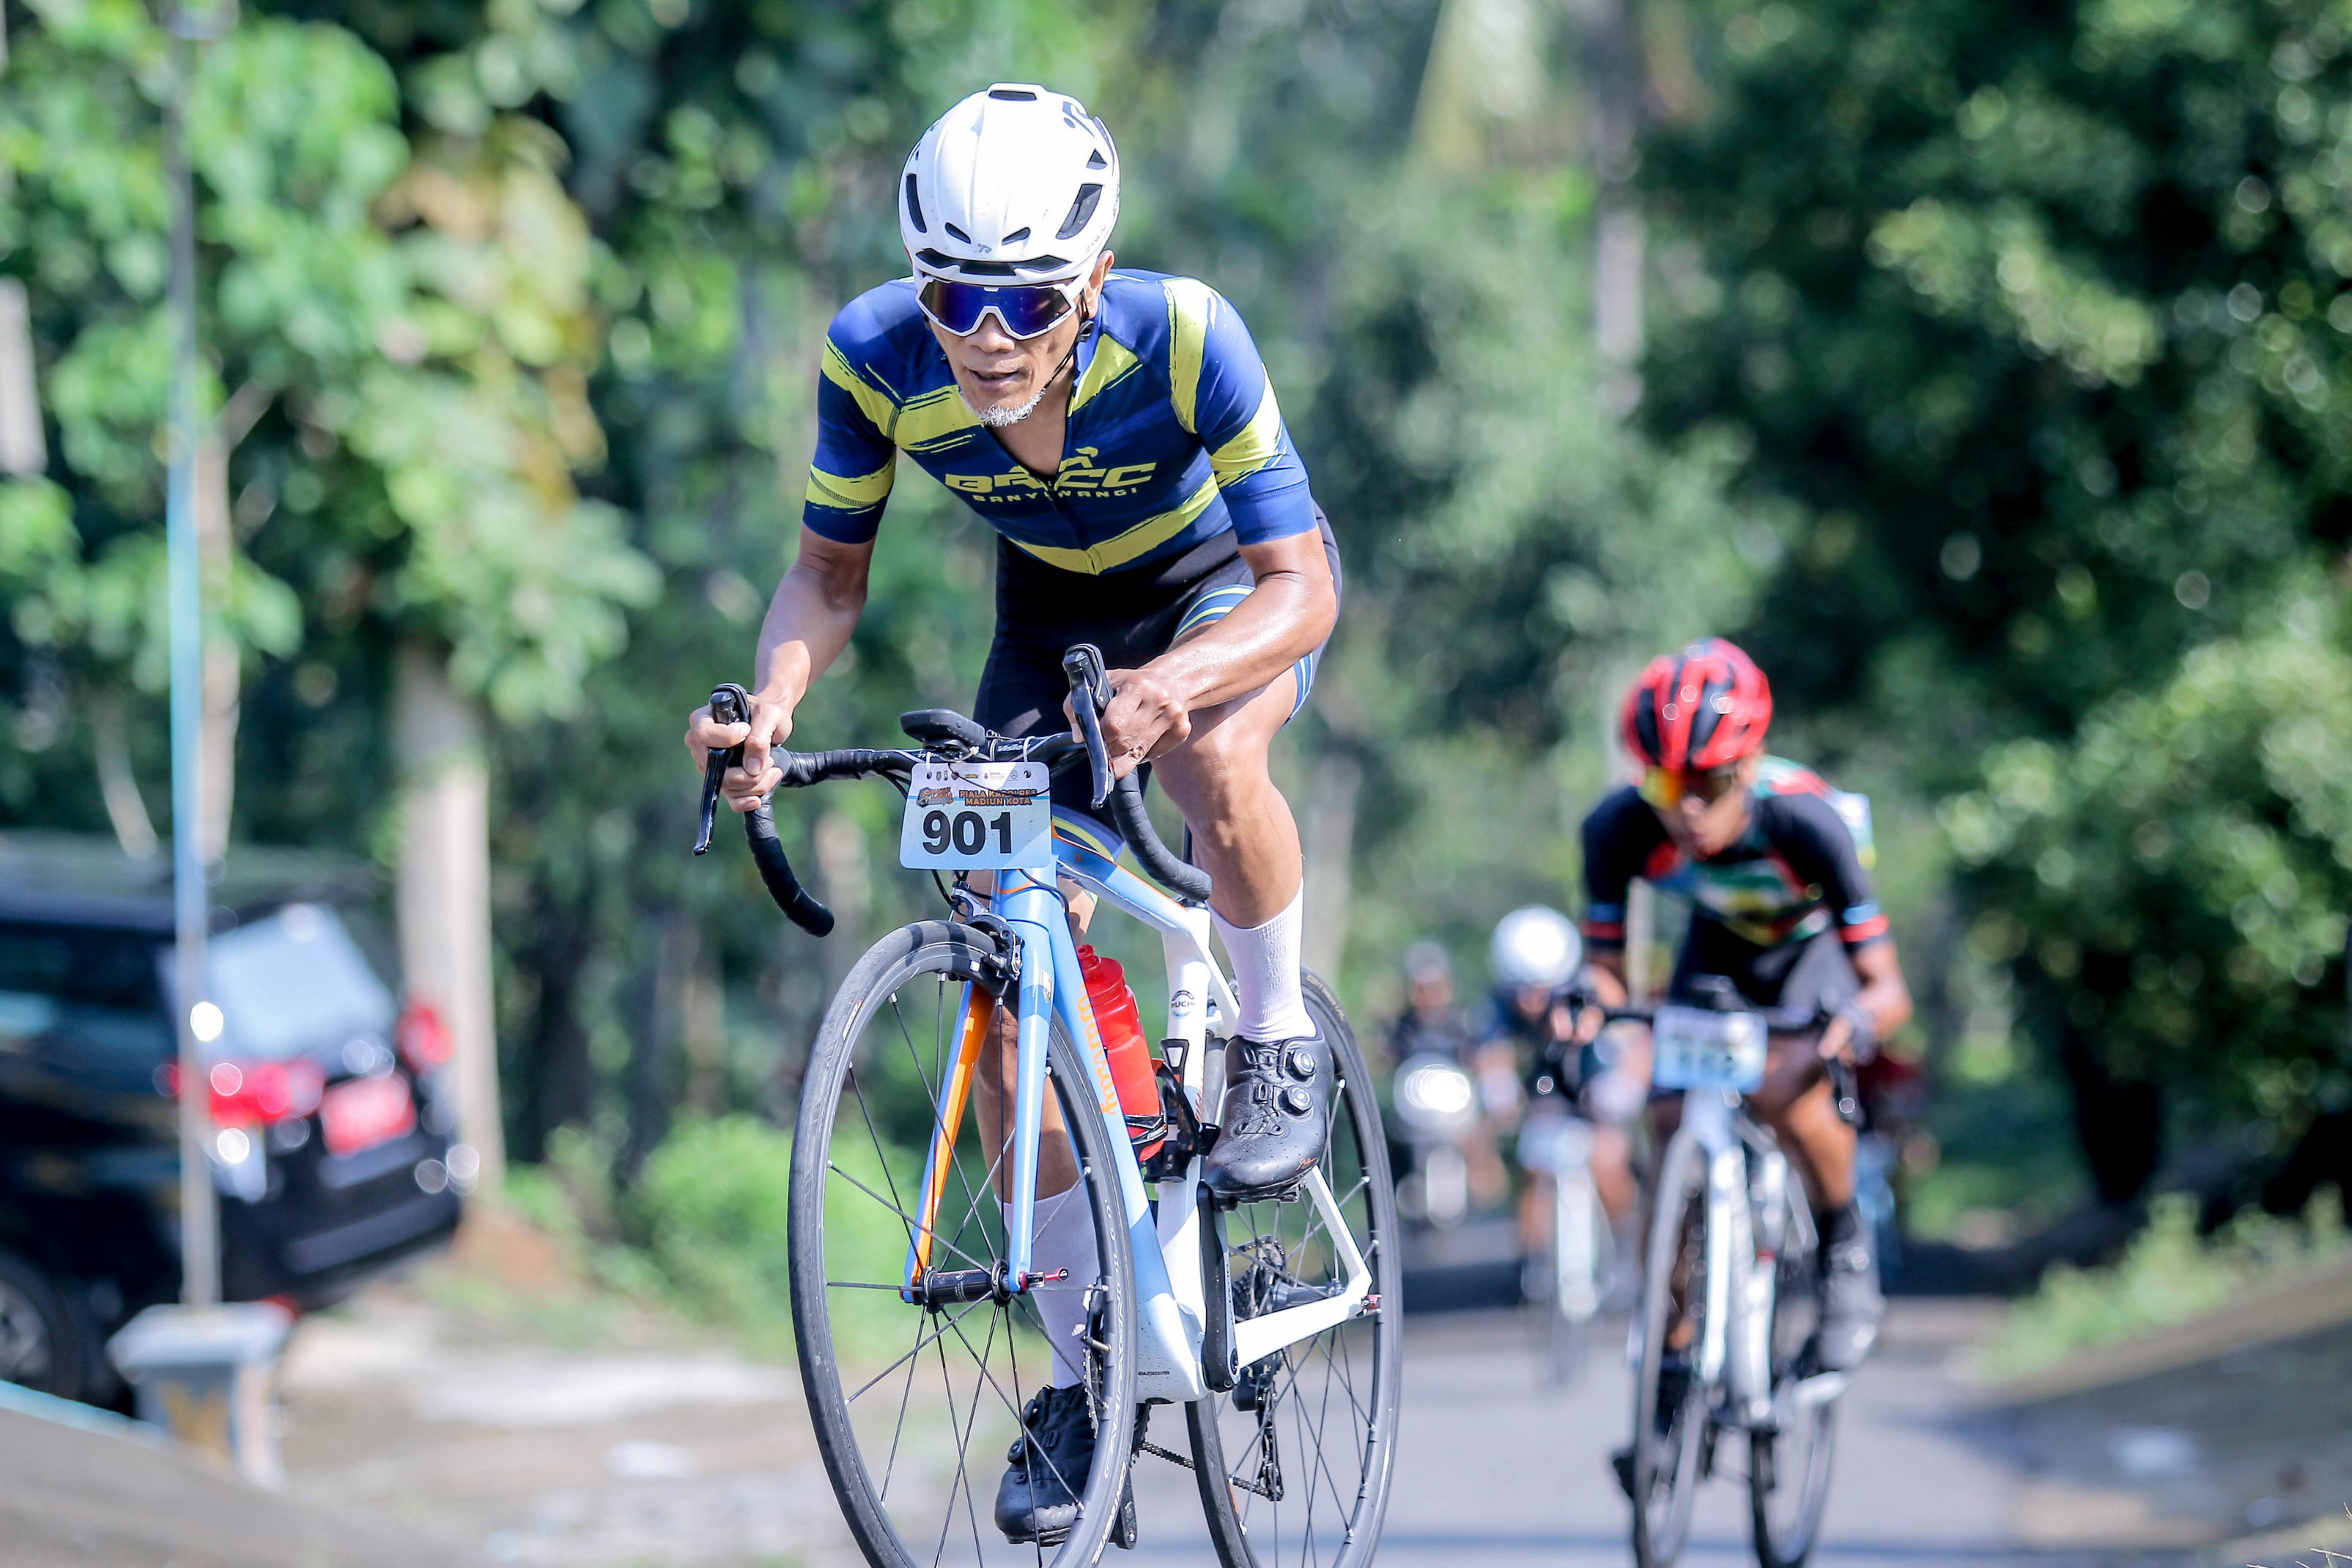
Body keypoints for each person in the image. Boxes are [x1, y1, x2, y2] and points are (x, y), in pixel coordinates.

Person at [681, 84, 1342, 1544]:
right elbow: (828, 578)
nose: (988, 335)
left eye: (1029, 300)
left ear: (1092, 280)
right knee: (1004, 965)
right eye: (955, 297)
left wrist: (1174, 685)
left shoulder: (1188, 334)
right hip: (1047, 627)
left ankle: (1275, 1035)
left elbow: (1304, 590)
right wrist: (773, 701)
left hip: (1223, 595)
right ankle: (1086, 1365)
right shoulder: (872, 356)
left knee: (1209, 758)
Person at [1575, 637, 1911, 1375]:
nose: (1688, 809)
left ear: (1749, 767)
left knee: (1789, 1087)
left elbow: (1888, 990)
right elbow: (1605, 975)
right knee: (1668, 1117)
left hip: (1809, 950)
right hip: (1717, 947)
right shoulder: (1617, 827)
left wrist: (1857, 1022)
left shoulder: (1807, 823)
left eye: (1710, 783)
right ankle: (1671, 1343)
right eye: (1666, 785)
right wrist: (1585, 1004)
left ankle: (1844, 1254)